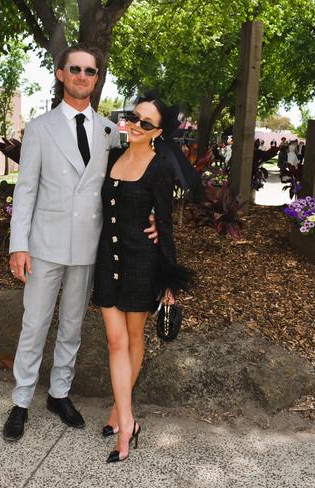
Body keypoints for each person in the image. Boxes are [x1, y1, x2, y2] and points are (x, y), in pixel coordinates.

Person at [3, 44, 158, 442]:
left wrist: (152, 217)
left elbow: (128, 180)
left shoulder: (109, 131)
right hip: (44, 244)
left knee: (72, 325)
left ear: (96, 78)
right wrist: (18, 244)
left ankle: (59, 394)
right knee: (35, 324)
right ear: (61, 74)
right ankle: (21, 401)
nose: (82, 76)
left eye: (90, 71)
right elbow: (26, 190)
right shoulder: (39, 128)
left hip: (91, 246)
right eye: (75, 69)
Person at [92, 93, 193, 463]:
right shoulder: (114, 157)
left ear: (158, 132)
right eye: (134, 117)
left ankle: (122, 414)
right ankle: (127, 416)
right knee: (116, 343)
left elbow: (163, 224)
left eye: (145, 123)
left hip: (141, 263)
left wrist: (169, 278)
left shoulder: (160, 166)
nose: (135, 125)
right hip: (107, 260)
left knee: (133, 339)